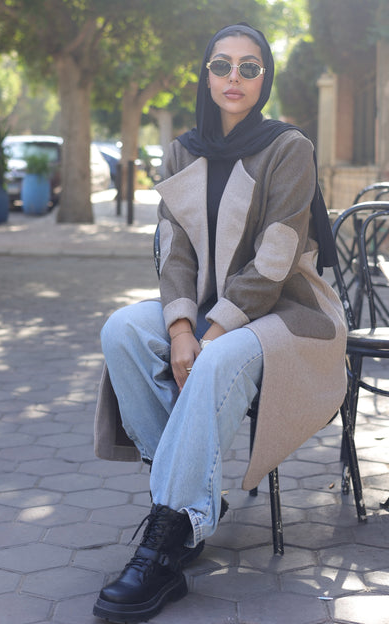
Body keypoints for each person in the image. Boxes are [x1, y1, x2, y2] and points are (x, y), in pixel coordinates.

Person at [92, 22, 347, 623]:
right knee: (123, 331)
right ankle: (187, 508)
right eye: (222, 65)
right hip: (204, 308)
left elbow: (276, 259)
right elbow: (173, 250)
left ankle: (163, 545)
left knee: (220, 357)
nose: (234, 78)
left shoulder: (289, 147)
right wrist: (181, 326)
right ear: (205, 75)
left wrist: (206, 335)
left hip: (288, 313)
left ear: (264, 78)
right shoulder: (182, 150)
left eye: (249, 67)